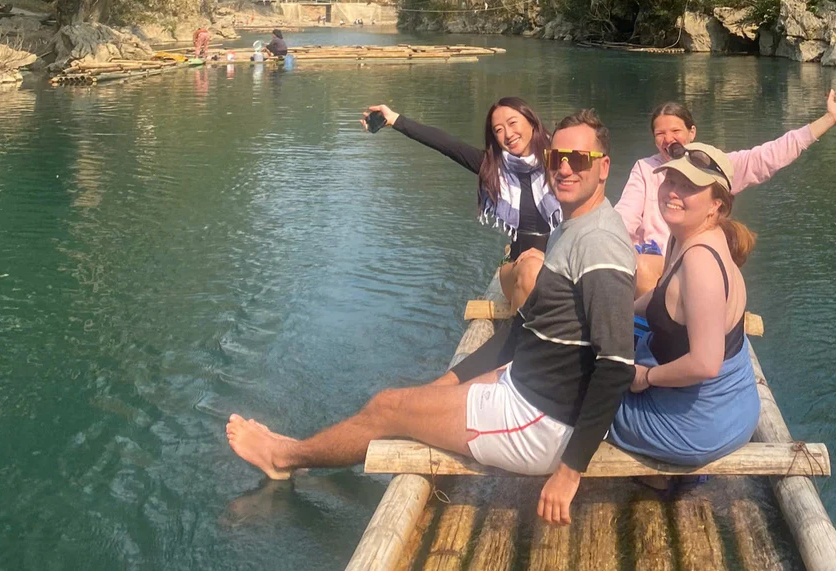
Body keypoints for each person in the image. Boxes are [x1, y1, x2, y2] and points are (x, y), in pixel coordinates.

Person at [226, 109, 636, 525]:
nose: (565, 168)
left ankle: (283, 457)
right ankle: (303, 448)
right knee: (415, 397)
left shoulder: (599, 243)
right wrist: (446, 384)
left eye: (579, 159)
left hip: (542, 421)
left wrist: (568, 473)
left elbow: (617, 365)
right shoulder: (573, 225)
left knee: (388, 408)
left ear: (603, 168)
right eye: (557, 158)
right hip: (530, 382)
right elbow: (529, 329)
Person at [616, 89, 836, 296]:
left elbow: (769, 156)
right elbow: (625, 217)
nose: (667, 139)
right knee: (638, 266)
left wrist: (829, 119)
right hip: (651, 269)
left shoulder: (715, 167)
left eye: (675, 131)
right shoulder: (645, 169)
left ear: (691, 133)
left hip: (692, 269)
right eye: (660, 133)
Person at [609, 142, 760, 470]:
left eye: (689, 186)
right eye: (671, 181)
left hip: (697, 428)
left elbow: (706, 364)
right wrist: (617, 309)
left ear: (715, 205)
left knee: (581, 391)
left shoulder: (701, 263)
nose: (673, 192)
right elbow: (662, 294)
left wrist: (647, 377)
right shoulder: (685, 236)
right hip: (731, 408)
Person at [363, 98, 559, 309]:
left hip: (559, 262)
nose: (508, 135)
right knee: (532, 270)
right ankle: (522, 337)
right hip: (517, 269)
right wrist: (394, 120)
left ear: (532, 122)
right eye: (498, 130)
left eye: (513, 123)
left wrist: (551, 256)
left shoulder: (562, 162)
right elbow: (446, 144)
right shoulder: (492, 168)